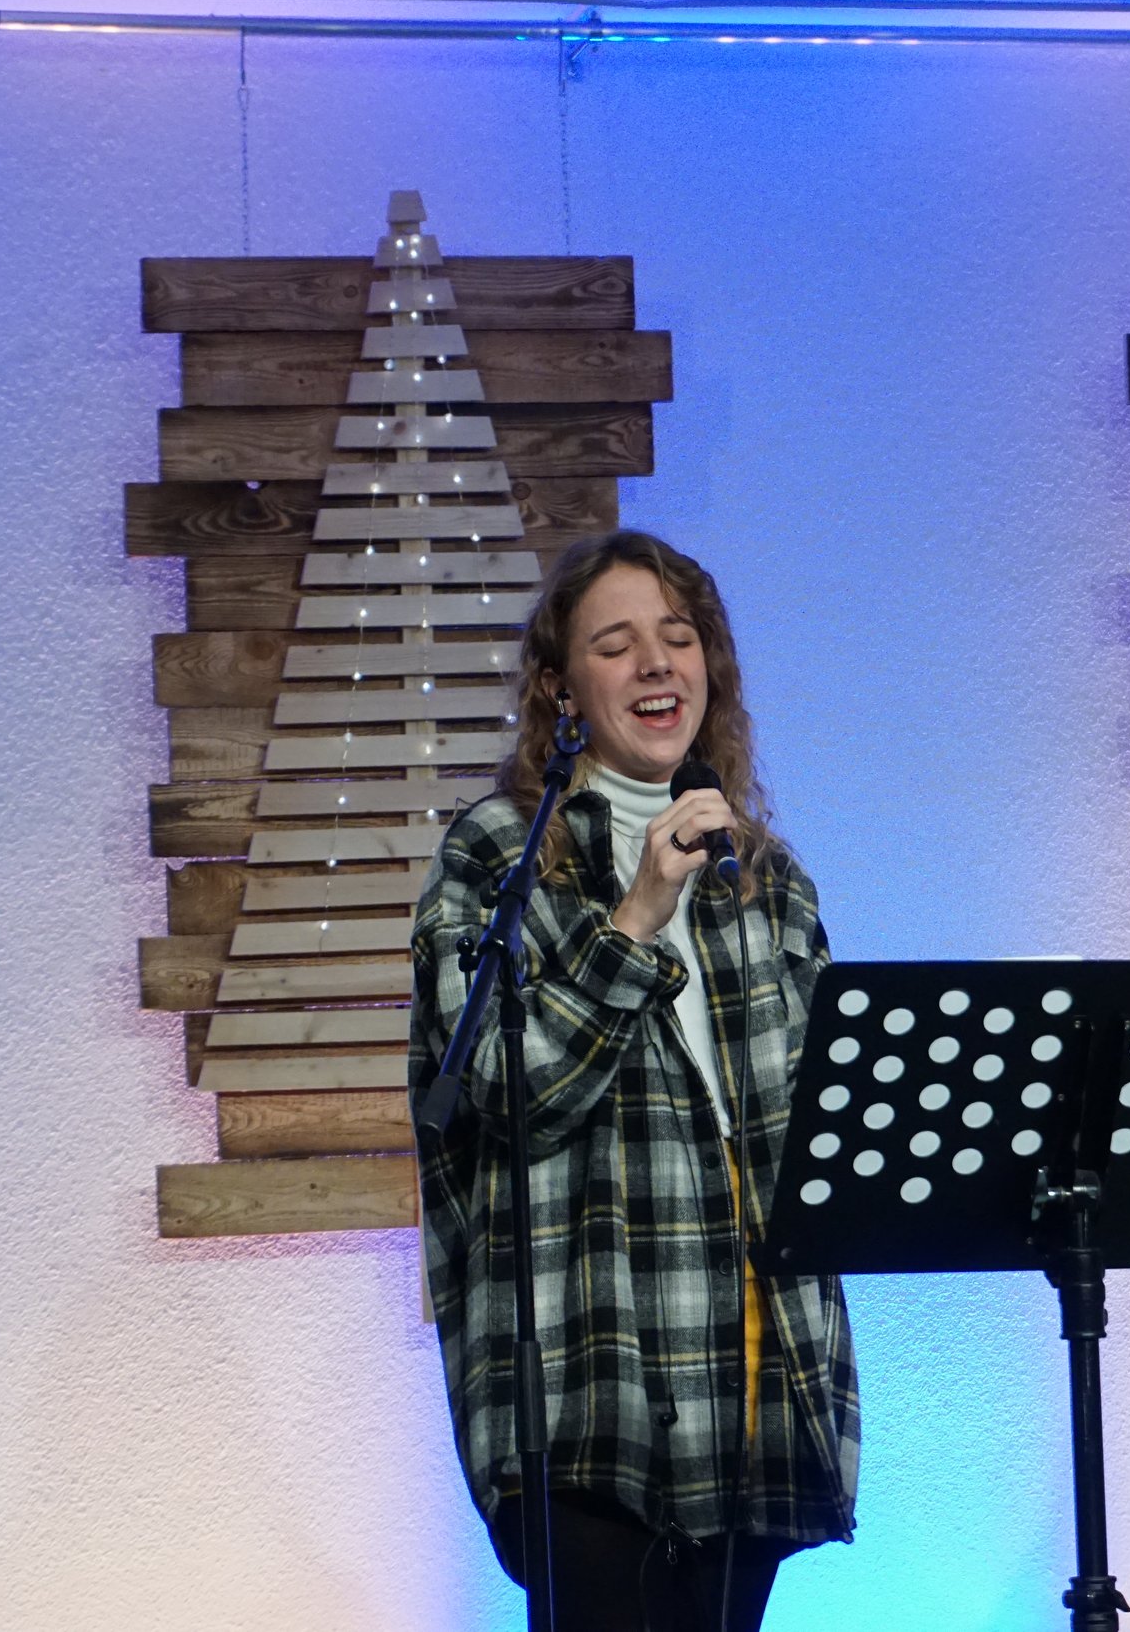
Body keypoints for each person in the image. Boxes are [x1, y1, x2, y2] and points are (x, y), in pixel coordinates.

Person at [408, 530, 859, 1632]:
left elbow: (827, 1125)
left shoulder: (766, 879)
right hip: (582, 1390)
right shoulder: (499, 856)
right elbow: (501, 1096)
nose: (657, 663)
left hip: (751, 1382)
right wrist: (638, 916)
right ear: (561, 690)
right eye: (616, 645)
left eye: (678, 636)